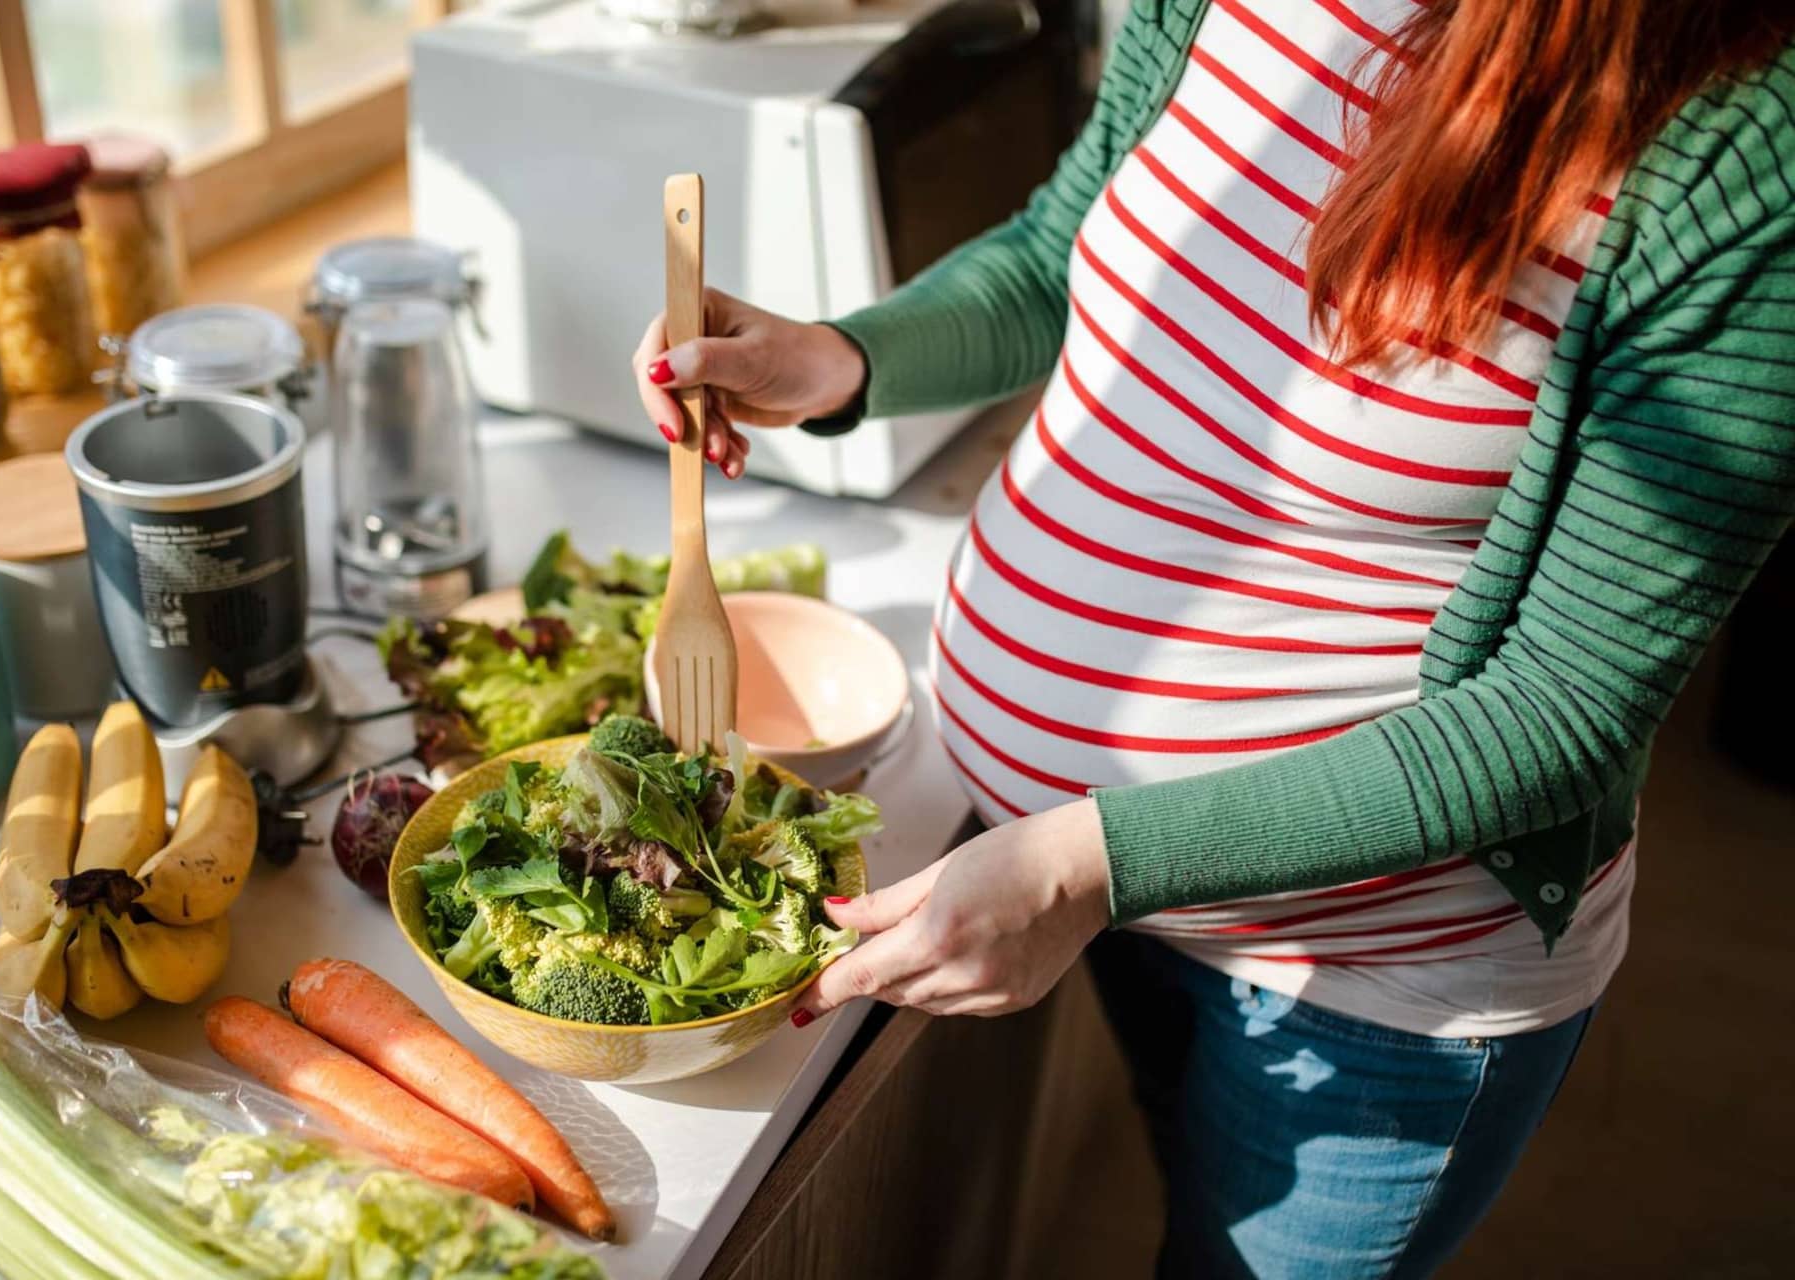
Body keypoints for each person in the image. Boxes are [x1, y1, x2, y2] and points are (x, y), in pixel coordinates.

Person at [630, 0, 1795, 1273]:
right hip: (1097, 873)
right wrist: (841, 357)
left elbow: (1554, 714)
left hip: (1366, 977)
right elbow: (1060, 253)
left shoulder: (1746, 153)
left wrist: (1092, 860)